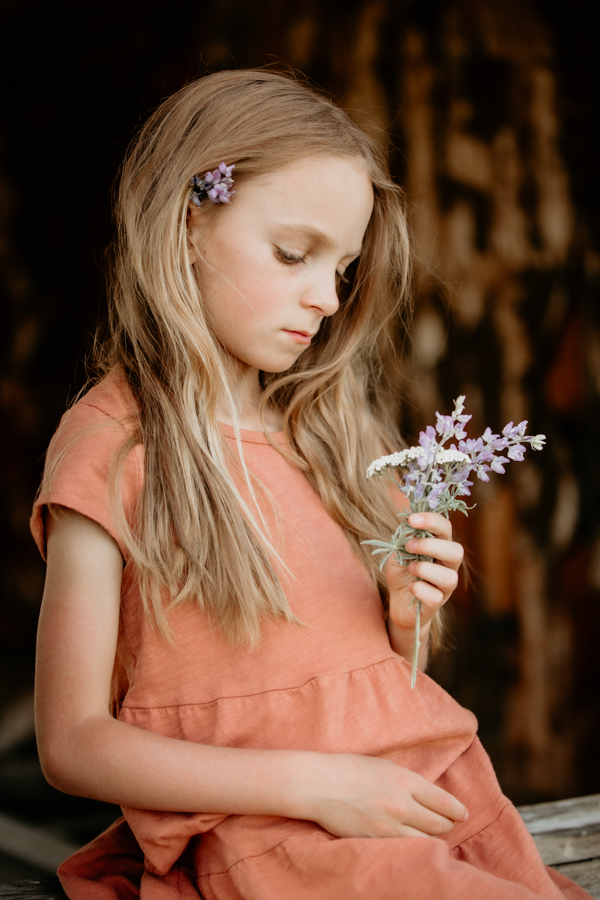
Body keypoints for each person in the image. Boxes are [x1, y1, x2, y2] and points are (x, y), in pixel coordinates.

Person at [31, 69, 590, 900]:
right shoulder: (116, 448)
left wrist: (408, 616)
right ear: (189, 220)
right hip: (285, 836)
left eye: (344, 269)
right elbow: (72, 743)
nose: (327, 298)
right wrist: (317, 785)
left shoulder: (333, 438)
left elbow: (356, 677)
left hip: (427, 797)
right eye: (294, 254)